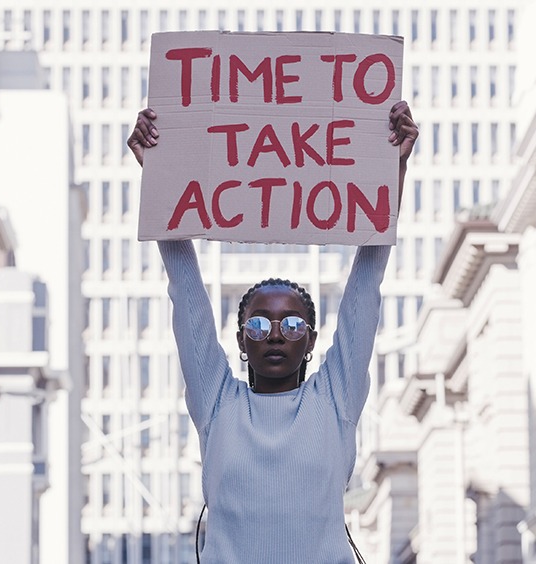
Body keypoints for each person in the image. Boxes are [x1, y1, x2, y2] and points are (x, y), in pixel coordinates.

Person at [127, 102, 417, 563]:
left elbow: (365, 286)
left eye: (293, 323)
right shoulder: (217, 402)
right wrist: (160, 172)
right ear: (241, 340)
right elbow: (185, 291)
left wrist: (392, 168)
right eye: (259, 324)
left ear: (311, 340)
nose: (276, 334)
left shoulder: (334, 399)